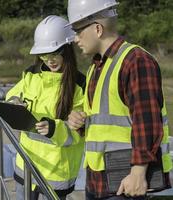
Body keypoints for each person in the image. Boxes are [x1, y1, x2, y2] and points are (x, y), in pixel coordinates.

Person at [66, 0, 172, 199]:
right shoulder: (95, 68)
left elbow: (147, 121)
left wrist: (138, 172)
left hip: (124, 184)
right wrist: (80, 121)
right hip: (97, 181)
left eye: (78, 30)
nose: (75, 39)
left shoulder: (136, 60)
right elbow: (104, 122)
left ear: (98, 29)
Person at [5, 15, 86, 199]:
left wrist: (54, 128)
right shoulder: (31, 75)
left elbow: (79, 131)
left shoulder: (80, 86)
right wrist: (14, 102)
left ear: (67, 48)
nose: (49, 60)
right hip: (26, 164)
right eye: (44, 54)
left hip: (56, 173)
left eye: (54, 53)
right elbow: (12, 93)